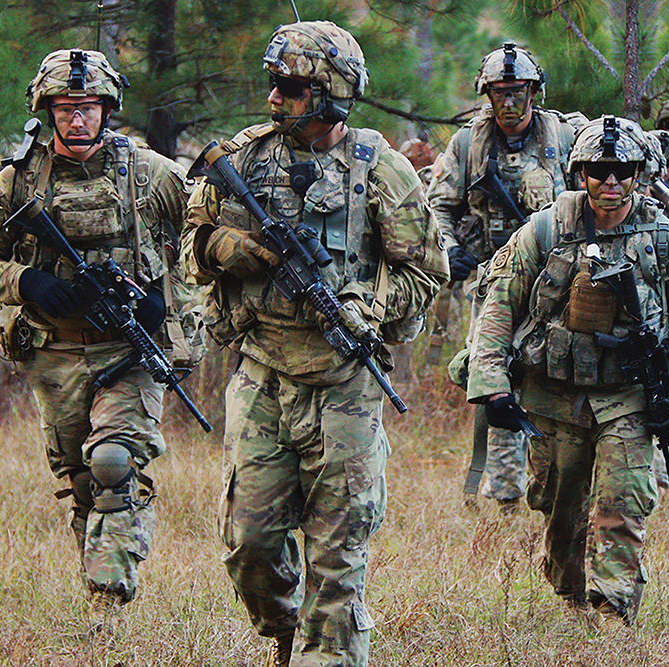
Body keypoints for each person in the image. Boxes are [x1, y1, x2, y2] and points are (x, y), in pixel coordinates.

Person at [180, 21, 448, 667]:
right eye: (273, 85)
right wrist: (229, 247)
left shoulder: (378, 169)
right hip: (262, 372)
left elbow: (427, 271)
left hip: (344, 382)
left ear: (331, 93)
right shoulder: (242, 159)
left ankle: (327, 653)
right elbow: (191, 242)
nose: (275, 99)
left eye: (292, 88)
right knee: (250, 545)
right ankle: (284, 629)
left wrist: (367, 305)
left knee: (339, 549)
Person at [0, 49, 191, 634]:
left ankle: (107, 604)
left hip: (128, 351)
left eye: (88, 107)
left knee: (114, 463)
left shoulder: (152, 174)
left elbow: (200, 246)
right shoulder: (17, 182)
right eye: (66, 108)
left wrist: (166, 297)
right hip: (55, 351)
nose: (77, 119)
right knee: (83, 483)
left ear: (107, 109)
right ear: (47, 110)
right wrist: (27, 281)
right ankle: (97, 589)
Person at [466, 115, 669, 623]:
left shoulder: (665, 240)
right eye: (598, 171)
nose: (610, 182)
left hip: (627, 400)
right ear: (579, 172)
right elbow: (500, 304)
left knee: (621, 506)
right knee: (561, 516)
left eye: (622, 170)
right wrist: (492, 386)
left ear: (640, 173)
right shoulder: (546, 228)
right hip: (554, 396)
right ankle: (572, 603)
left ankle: (611, 618)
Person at [428, 42, 585, 512]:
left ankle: (562, 484)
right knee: (494, 379)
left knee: (562, 379)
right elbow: (439, 205)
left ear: (534, 92)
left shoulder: (564, 136)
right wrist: (450, 248)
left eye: (518, 92)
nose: (509, 103)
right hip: (495, 279)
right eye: (499, 94)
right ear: (487, 95)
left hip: (557, 281)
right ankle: (505, 496)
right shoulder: (467, 144)